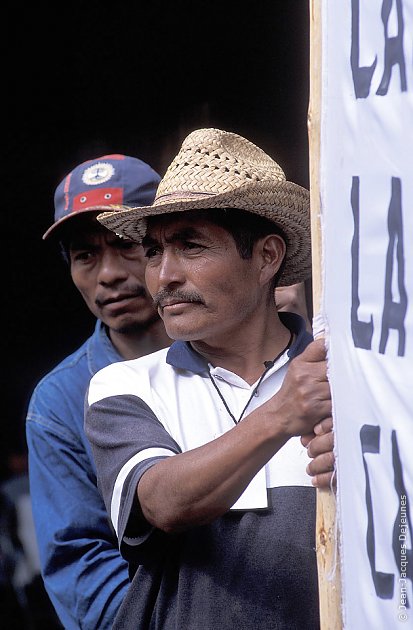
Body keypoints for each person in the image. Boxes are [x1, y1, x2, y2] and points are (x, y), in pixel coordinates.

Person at [85, 128, 335, 629]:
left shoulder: (345, 380)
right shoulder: (127, 385)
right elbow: (163, 503)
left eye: (191, 246)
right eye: (154, 251)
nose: (163, 276)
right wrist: (282, 415)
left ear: (267, 257)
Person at [26, 154, 172, 630]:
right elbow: (82, 572)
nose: (107, 274)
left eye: (125, 244)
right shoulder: (60, 403)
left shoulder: (234, 355)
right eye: (85, 255)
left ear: (165, 245)